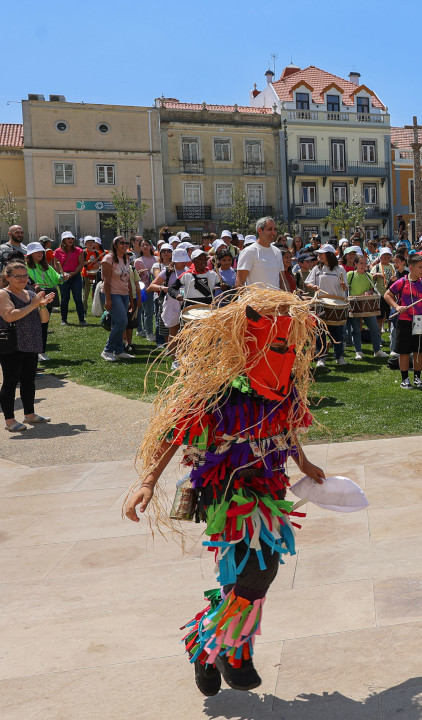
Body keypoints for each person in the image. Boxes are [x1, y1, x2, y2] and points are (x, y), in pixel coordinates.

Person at [122, 287, 327, 697]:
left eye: (288, 344)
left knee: (242, 579)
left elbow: (283, 428)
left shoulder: (283, 387)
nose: (284, 352)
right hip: (227, 491)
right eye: (276, 344)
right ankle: (232, 652)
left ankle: (207, 646)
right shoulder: (215, 390)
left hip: (268, 489)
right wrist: (146, 482)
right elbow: (175, 433)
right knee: (261, 568)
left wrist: (302, 463)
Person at [1, 261, 55, 431]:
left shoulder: (31, 293)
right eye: (18, 276)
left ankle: (29, 414)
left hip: (31, 342)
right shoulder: (4, 294)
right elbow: (9, 316)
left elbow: (44, 319)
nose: (23, 279)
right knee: (10, 382)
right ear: (7, 277)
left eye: (25, 276)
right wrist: (33, 305)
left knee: (28, 381)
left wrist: (43, 305)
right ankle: (9, 421)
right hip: (13, 344)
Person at [384, 254, 422, 388]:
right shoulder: (402, 281)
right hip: (405, 320)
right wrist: (397, 307)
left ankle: (417, 377)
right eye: (420, 267)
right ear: (411, 268)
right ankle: (405, 379)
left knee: (419, 350)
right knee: (404, 351)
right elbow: (387, 295)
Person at [305, 245, 348, 367]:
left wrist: (343, 285)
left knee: (337, 332)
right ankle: (321, 358)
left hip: (336, 304)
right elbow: (308, 282)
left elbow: (345, 288)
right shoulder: (317, 269)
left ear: (329, 255)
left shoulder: (339, 269)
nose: (319, 256)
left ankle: (339, 356)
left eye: (321, 254)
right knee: (320, 332)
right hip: (321, 303)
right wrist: (313, 286)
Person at [100, 236, 138, 362]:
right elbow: (106, 280)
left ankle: (119, 350)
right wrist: (108, 299)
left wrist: (131, 300)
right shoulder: (108, 258)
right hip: (112, 293)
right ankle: (108, 350)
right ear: (115, 245)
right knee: (122, 321)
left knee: (118, 323)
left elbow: (128, 280)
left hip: (124, 294)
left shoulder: (126, 259)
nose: (125, 245)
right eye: (121, 243)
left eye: (126, 242)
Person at [25, 243, 60, 361]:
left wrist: (62, 277)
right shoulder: (25, 267)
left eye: (41, 252)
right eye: (36, 252)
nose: (40, 254)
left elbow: (56, 278)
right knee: (34, 325)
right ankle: (33, 351)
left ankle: (42, 351)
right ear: (30, 254)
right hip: (31, 299)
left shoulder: (47, 267)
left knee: (44, 324)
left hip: (46, 297)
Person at [345, 254, 384, 360]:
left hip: (368, 307)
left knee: (375, 328)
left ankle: (377, 350)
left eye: (365, 263)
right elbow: (344, 288)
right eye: (361, 263)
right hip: (354, 306)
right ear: (355, 264)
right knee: (356, 330)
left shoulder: (369, 276)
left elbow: (371, 289)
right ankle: (358, 351)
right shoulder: (350, 274)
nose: (363, 265)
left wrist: (369, 291)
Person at [235, 217, 287, 289]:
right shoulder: (249, 252)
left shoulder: (277, 252)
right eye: (270, 229)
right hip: (255, 299)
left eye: (275, 229)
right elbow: (239, 283)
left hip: (274, 300)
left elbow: (283, 280)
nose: (274, 232)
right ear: (260, 230)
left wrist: (289, 298)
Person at [53, 231, 86, 325]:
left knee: (78, 298)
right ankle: (64, 319)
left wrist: (73, 273)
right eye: (68, 239)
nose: (71, 240)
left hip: (75, 276)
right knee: (64, 299)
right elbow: (56, 265)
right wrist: (62, 274)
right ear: (64, 240)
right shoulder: (57, 251)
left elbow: (81, 264)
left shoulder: (79, 250)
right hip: (63, 277)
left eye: (72, 238)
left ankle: (82, 320)